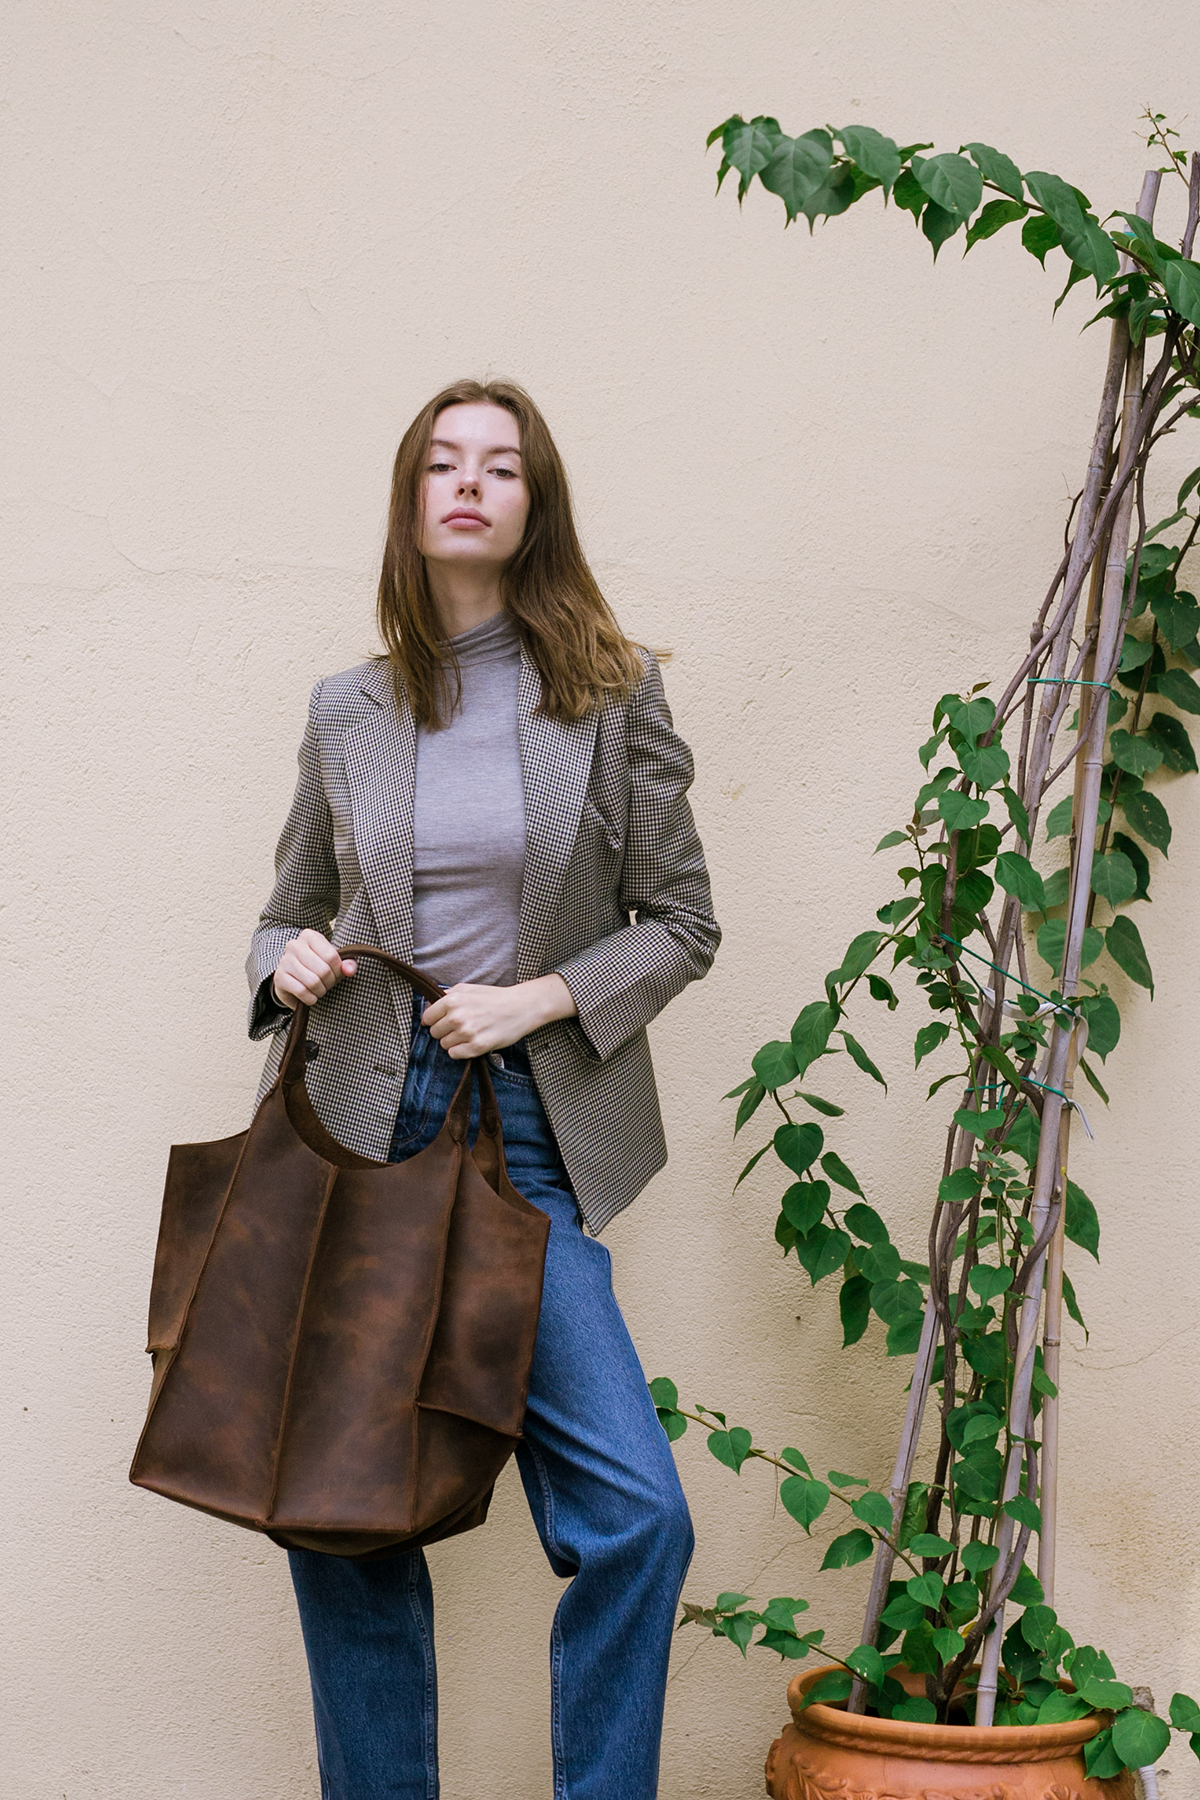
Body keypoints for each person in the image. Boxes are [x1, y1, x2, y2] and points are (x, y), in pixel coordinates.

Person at [245, 378, 720, 1800]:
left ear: (533, 506)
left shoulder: (612, 691)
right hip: (359, 1128)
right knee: (347, 1514)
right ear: (411, 503)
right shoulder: (349, 709)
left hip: (524, 1130)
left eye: (500, 467)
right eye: (442, 464)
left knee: (637, 1515)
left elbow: (683, 922)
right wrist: (292, 962)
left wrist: (543, 995)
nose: (469, 484)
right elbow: (283, 913)